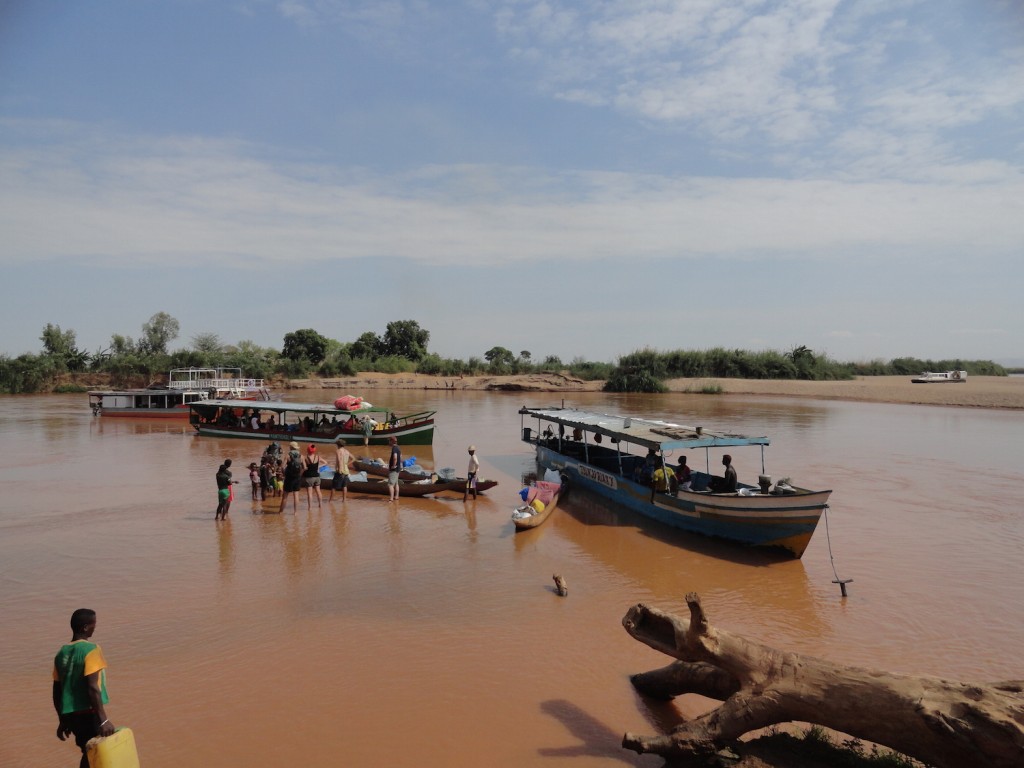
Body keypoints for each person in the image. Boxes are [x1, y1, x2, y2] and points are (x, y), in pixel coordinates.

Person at [53, 608, 115, 768]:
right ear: (85, 628)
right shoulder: (92, 650)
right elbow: (93, 687)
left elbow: (56, 691)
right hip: (89, 713)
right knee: (95, 752)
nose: (95, 627)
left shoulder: (61, 653)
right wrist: (104, 720)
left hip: (73, 716)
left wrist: (63, 719)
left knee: (88, 752)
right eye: (94, 624)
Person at [280, 442, 303, 513]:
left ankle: (280, 512)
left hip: (289, 478)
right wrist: (300, 475)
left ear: (290, 447)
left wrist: (284, 474)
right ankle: (295, 512)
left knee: (285, 496)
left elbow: (282, 467)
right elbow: (304, 467)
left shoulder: (288, 455)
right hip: (297, 477)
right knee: (296, 495)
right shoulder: (301, 456)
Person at [303, 444, 326, 510]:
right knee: (318, 491)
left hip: (309, 477)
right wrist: (319, 466)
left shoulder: (305, 457)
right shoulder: (318, 457)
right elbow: (325, 462)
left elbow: (303, 467)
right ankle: (320, 505)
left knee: (310, 493)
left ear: (308, 450)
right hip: (317, 477)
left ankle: (310, 507)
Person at [387, 436, 402, 501]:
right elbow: (401, 456)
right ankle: (396, 496)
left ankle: (391, 499)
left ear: (391, 441)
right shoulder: (398, 447)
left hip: (394, 469)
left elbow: (395, 457)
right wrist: (400, 465)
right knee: (396, 483)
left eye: (389, 441)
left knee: (390, 484)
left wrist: (393, 465)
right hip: (398, 468)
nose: (388, 442)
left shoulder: (394, 448)